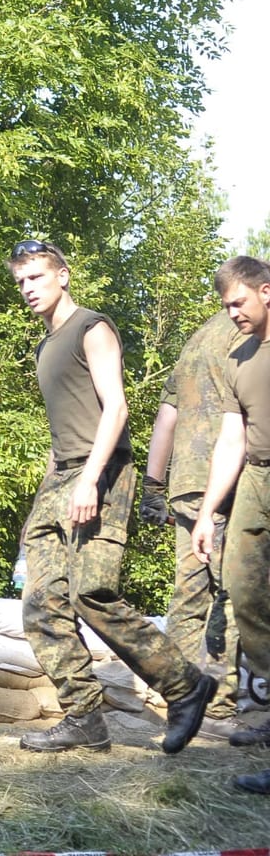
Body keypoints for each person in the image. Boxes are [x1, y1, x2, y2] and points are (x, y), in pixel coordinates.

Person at [8, 239, 214, 754]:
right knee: (40, 603)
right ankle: (83, 717)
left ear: (63, 275)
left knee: (92, 592)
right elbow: (61, 437)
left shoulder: (91, 328)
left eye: (36, 277)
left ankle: (185, 685)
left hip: (103, 473)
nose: (28, 288)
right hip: (61, 477)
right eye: (21, 281)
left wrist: (90, 479)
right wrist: (40, 505)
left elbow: (116, 409)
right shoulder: (43, 346)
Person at [144, 307, 245, 740]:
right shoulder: (248, 339)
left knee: (188, 596)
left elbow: (165, 419)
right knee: (236, 593)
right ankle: (221, 707)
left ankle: (183, 700)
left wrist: (152, 486)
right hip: (229, 482)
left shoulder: (194, 343)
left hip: (186, 484)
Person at [190, 256, 270, 789]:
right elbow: (232, 440)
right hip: (257, 483)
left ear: (267, 291)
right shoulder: (238, 356)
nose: (232, 313)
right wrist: (207, 512)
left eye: (239, 302)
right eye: (225, 306)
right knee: (246, 596)